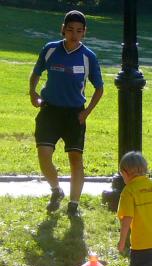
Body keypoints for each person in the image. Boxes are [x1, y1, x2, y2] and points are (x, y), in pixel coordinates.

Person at [29, 10, 104, 217]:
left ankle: (74, 205)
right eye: (70, 30)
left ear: (84, 32)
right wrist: (33, 92)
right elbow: (36, 73)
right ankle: (56, 190)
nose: (74, 35)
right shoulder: (50, 49)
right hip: (49, 111)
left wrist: (86, 112)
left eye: (79, 31)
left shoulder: (88, 57)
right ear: (63, 29)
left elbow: (99, 88)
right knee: (44, 155)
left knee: (75, 158)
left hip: (74, 115)